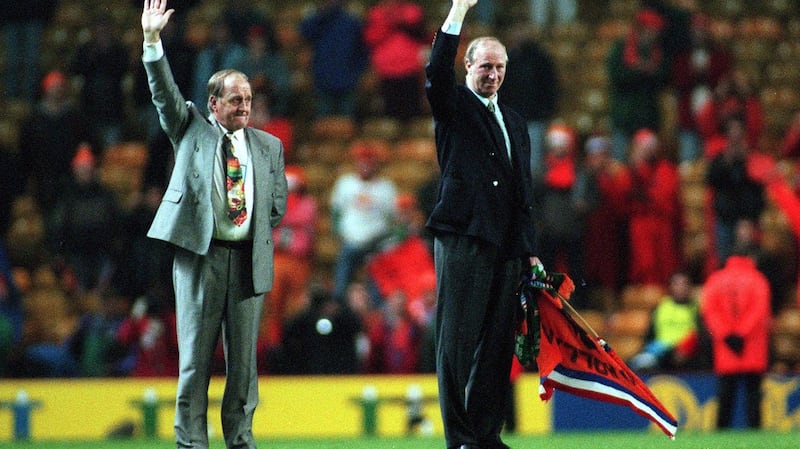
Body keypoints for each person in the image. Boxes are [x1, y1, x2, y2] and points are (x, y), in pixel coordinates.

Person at [140, 1, 288, 448]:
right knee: (194, 364)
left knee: (244, 368)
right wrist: (152, 42)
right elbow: (164, 93)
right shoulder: (190, 129)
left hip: (247, 261)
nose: (245, 106)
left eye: (248, 99)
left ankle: (241, 441)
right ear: (213, 103)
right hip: (200, 259)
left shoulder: (269, 146)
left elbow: (276, 205)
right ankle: (191, 444)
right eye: (235, 99)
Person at [425, 1, 541, 447]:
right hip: (464, 238)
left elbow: (522, 192)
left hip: (507, 247)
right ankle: (460, 439)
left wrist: (528, 250)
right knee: (454, 345)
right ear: (468, 66)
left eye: (499, 67)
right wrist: (457, 11)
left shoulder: (514, 120)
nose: (492, 75)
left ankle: (485, 436)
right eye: (484, 66)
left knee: (496, 349)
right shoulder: (453, 105)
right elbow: (436, 72)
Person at [700, 247, 771, 429]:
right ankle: (755, 433)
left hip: (726, 347)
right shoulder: (758, 279)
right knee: (753, 396)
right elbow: (759, 310)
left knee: (725, 395)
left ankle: (721, 432)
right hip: (751, 346)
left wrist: (726, 334)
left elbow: (710, 310)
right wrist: (742, 333)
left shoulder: (715, 280)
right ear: (748, 257)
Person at [329, 141, 398, 302]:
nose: (366, 165)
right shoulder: (345, 183)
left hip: (376, 243)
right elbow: (335, 212)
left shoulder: (386, 187)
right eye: (362, 161)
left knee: (377, 283)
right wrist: (338, 234)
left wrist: (384, 240)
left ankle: (376, 309)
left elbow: (393, 219)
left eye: (369, 161)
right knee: (341, 280)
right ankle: (338, 303)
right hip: (350, 241)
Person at [606, 7, 671, 161]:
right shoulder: (621, 47)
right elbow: (615, 75)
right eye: (652, 29)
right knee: (619, 162)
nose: (655, 34)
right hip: (624, 116)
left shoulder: (658, 51)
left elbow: (666, 78)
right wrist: (638, 70)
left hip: (647, 118)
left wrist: (651, 71)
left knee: (646, 162)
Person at [499, 23, 559, 176]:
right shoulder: (507, 59)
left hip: (535, 119)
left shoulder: (541, 58)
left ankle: (531, 197)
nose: (519, 33)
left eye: (522, 29)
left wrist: (544, 112)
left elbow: (550, 87)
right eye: (516, 30)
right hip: (512, 119)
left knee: (533, 163)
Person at [626, 128, 682, 286]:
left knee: (665, 265)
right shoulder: (630, 171)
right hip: (641, 225)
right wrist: (636, 169)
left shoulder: (666, 169)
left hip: (662, 224)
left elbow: (666, 198)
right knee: (644, 265)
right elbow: (623, 197)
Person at [299, 0, 369, 119]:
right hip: (323, 81)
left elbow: (362, 52)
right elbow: (304, 32)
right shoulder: (317, 21)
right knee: (324, 124)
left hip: (348, 82)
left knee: (346, 124)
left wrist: (357, 73)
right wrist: (320, 14)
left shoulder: (351, 22)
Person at [364, 0, 429, 121]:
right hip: (386, 72)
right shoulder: (376, 13)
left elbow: (420, 35)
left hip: (411, 70)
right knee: (389, 116)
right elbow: (371, 38)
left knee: (413, 115)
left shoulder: (412, 11)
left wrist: (396, 19)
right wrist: (390, 21)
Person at [628, 270, 701, 371]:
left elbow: (699, 335)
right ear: (671, 286)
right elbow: (650, 333)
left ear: (690, 287)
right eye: (677, 284)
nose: (681, 288)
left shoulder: (697, 309)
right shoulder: (661, 306)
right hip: (660, 350)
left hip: (684, 354)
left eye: (684, 284)